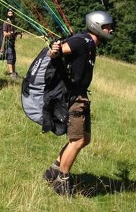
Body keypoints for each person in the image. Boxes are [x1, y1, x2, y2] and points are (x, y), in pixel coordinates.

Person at [43, 10, 115, 197]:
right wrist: (55, 49)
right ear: (97, 26)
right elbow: (58, 51)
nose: (111, 30)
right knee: (77, 140)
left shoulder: (91, 43)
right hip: (74, 98)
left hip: (81, 96)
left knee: (85, 139)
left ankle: (53, 170)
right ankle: (62, 180)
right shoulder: (82, 41)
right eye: (108, 26)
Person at [2, 9, 22, 79]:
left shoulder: (12, 23)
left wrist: (18, 33)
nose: (11, 14)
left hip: (12, 42)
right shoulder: (6, 23)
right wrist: (12, 33)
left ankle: (14, 72)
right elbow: (5, 34)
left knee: (13, 58)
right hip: (8, 43)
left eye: (12, 13)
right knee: (10, 57)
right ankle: (11, 73)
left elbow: (13, 33)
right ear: (7, 14)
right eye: (9, 13)